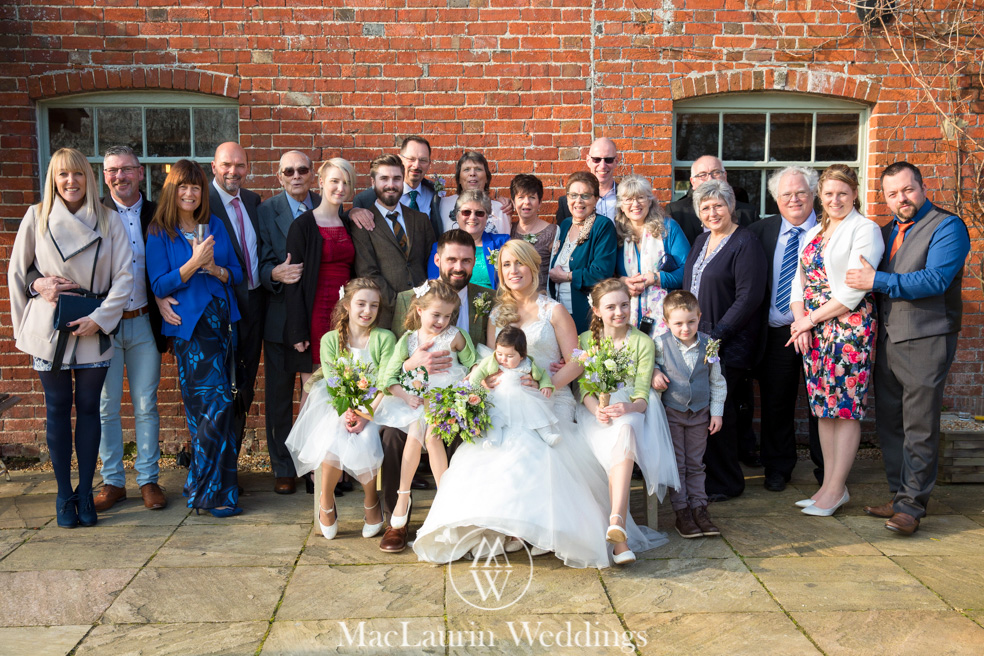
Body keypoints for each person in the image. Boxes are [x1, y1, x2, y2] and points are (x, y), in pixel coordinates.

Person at [413, 246, 667, 569]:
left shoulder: (554, 310)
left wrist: (549, 384)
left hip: (550, 398)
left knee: (536, 446)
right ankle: (503, 524)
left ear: (534, 267)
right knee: (492, 445)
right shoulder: (497, 313)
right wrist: (488, 380)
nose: (513, 270)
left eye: (520, 263)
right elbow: (493, 360)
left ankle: (538, 529)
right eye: (506, 264)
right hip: (506, 398)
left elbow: (578, 361)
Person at [8, 147, 133, 528]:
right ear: (53, 179)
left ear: (88, 178)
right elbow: (20, 271)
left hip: (93, 327)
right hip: (51, 328)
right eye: (62, 175)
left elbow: (125, 278)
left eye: (77, 174)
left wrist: (99, 318)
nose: (71, 181)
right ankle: (64, 494)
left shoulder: (109, 221)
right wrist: (39, 284)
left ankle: (85, 492)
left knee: (91, 409)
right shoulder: (36, 216)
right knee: (57, 409)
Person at [845, 161, 971, 535]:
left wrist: (876, 279)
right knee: (890, 423)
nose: (902, 198)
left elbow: (935, 279)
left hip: (927, 339)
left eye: (908, 189)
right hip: (887, 340)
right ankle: (899, 494)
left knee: (919, 424)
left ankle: (912, 508)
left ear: (922, 186)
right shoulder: (885, 232)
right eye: (892, 193)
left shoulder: (948, 227)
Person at [146, 159, 244, 517]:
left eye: (196, 187)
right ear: (172, 190)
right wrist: (192, 263)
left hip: (221, 324)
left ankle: (211, 489)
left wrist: (215, 268)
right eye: (183, 187)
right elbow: (158, 284)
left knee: (222, 406)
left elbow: (236, 272)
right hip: (190, 328)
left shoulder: (214, 224)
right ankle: (209, 492)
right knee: (209, 407)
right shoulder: (160, 231)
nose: (190, 193)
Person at [787, 164, 884, 517]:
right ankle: (828, 487)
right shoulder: (815, 232)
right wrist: (801, 321)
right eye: (828, 194)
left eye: (842, 193)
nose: (835, 200)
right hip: (815, 328)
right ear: (820, 197)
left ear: (855, 193)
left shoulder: (866, 230)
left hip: (849, 329)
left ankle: (837, 487)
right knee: (824, 409)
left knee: (844, 409)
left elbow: (853, 290)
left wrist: (808, 320)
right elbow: (799, 282)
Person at [575, 279, 679, 565]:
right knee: (617, 433)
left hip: (632, 409)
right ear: (596, 310)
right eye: (610, 307)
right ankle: (619, 534)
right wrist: (597, 409)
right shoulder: (585, 340)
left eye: (624, 305)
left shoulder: (642, 342)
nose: (619, 312)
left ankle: (617, 521)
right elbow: (584, 388)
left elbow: (642, 396)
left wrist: (626, 407)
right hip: (593, 410)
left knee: (626, 428)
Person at [285, 278, 393, 540]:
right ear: (347, 305)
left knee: (366, 437)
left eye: (374, 306)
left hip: (377, 405)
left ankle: (371, 502)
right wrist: (346, 411)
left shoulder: (384, 338)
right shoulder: (331, 340)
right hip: (338, 405)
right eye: (361, 304)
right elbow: (333, 381)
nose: (367, 311)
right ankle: (326, 500)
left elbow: (385, 380)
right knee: (333, 437)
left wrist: (365, 415)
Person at [682, 180, 768, 500]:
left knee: (722, 411)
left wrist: (716, 337)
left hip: (728, 342)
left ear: (731, 207)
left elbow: (748, 298)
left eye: (718, 205)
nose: (712, 212)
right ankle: (706, 477)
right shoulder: (701, 240)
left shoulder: (745, 242)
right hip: (698, 338)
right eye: (705, 207)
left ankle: (727, 482)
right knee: (704, 410)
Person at [374, 280, 476, 546]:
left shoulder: (455, 336)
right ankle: (403, 498)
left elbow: (473, 363)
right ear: (419, 310)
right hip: (416, 399)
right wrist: (408, 392)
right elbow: (388, 378)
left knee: (431, 437)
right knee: (414, 434)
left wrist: (465, 388)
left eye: (447, 315)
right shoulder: (408, 340)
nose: (442, 321)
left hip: (447, 398)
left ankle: (444, 501)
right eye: (436, 315)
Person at [95, 145, 168, 512]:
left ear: (140, 173)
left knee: (145, 404)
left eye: (126, 169)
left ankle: (148, 479)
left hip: (143, 323)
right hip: (103, 328)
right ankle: (112, 482)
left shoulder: (158, 213)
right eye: (112, 170)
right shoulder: (91, 213)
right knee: (106, 406)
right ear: (104, 175)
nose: (119, 176)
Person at [749, 166, 823, 492]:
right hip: (778, 333)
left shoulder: (829, 230)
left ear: (813, 195)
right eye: (786, 194)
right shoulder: (759, 232)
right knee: (776, 403)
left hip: (822, 331)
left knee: (822, 404)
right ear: (775, 200)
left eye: (801, 193)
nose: (794, 199)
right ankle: (778, 467)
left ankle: (828, 469)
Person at [257, 150, 320, 495]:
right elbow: (257, 260)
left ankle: (317, 466)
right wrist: (273, 272)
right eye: (288, 171)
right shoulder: (266, 212)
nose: (296, 176)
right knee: (280, 397)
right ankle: (283, 466)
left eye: (302, 170)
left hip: (320, 316)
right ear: (279, 177)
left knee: (318, 395)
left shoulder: (330, 206)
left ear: (312, 174)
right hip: (281, 316)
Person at [651, 290, 727, 539]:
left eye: (691, 322)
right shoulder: (660, 344)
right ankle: (682, 511)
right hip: (673, 413)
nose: (686, 328)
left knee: (696, 463)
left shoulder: (709, 344)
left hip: (700, 414)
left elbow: (717, 381)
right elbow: (648, 365)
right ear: (667, 322)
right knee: (679, 464)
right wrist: (654, 372)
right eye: (678, 323)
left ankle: (699, 508)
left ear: (699, 317)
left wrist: (717, 413)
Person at [284, 158, 356, 401]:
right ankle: (305, 440)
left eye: (346, 183)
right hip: (314, 312)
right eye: (334, 181)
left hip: (344, 314)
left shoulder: (348, 224)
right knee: (314, 387)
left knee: (343, 384)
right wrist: (297, 330)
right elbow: (292, 281)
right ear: (321, 182)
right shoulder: (302, 225)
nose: (340, 188)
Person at [208, 142, 264, 452]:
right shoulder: (201, 203)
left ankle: (231, 465)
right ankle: (216, 467)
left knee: (244, 386)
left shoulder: (254, 202)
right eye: (227, 164)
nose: (233, 171)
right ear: (213, 167)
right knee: (217, 389)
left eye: (240, 165)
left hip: (254, 305)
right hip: (219, 308)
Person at [350, 154, 436, 330]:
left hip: (424, 315)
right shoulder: (362, 224)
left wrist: (427, 302)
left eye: (396, 178)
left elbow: (432, 263)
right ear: (373, 182)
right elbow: (368, 273)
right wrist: (403, 304)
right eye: (384, 179)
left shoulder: (420, 220)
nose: (391, 185)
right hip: (385, 317)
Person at [613, 174, 689, 334]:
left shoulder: (668, 228)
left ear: (650, 200)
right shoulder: (616, 234)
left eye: (640, 197)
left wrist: (656, 278)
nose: (635, 204)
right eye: (628, 199)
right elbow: (607, 273)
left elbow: (688, 271)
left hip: (667, 317)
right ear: (621, 205)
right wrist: (622, 282)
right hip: (625, 316)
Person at [468, 326, 562, 447]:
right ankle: (494, 440)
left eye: (510, 356)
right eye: (499, 353)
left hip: (524, 401)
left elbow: (542, 374)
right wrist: (474, 392)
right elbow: (476, 375)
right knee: (494, 421)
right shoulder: (491, 361)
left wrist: (546, 386)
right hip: (499, 401)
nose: (503, 359)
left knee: (537, 413)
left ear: (522, 355)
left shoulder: (527, 363)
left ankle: (547, 435)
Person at [548, 172, 618, 333]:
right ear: (567, 198)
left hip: (584, 312)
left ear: (596, 199)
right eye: (573, 195)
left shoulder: (602, 226)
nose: (578, 201)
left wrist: (566, 276)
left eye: (585, 196)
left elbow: (601, 273)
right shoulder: (564, 225)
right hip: (558, 311)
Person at [352, 136, 444, 239]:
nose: (416, 165)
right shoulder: (366, 199)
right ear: (401, 159)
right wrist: (352, 212)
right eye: (411, 159)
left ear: (429, 164)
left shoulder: (435, 195)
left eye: (423, 160)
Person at [667, 155, 760, 246]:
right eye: (702, 175)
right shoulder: (675, 212)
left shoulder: (749, 213)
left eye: (716, 172)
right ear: (693, 182)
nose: (710, 179)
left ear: (725, 176)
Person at [427, 190, 509, 289]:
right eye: (466, 212)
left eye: (479, 213)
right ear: (457, 216)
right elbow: (435, 284)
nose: (473, 217)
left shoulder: (502, 243)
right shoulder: (440, 246)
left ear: (487, 217)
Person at [438, 151, 512, 234]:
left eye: (478, 169)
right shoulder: (442, 204)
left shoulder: (501, 209)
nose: (472, 173)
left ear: (487, 178)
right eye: (466, 169)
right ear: (458, 178)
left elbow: (505, 244)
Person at [508, 174, 557, 292]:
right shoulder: (507, 230)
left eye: (532, 197)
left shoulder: (552, 232)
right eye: (521, 197)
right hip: (513, 301)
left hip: (541, 299)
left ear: (539, 203)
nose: (527, 202)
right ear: (513, 202)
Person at [556, 137, 620, 222]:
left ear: (616, 161)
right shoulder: (567, 203)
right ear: (588, 161)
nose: (602, 166)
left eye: (608, 160)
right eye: (596, 159)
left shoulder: (629, 198)